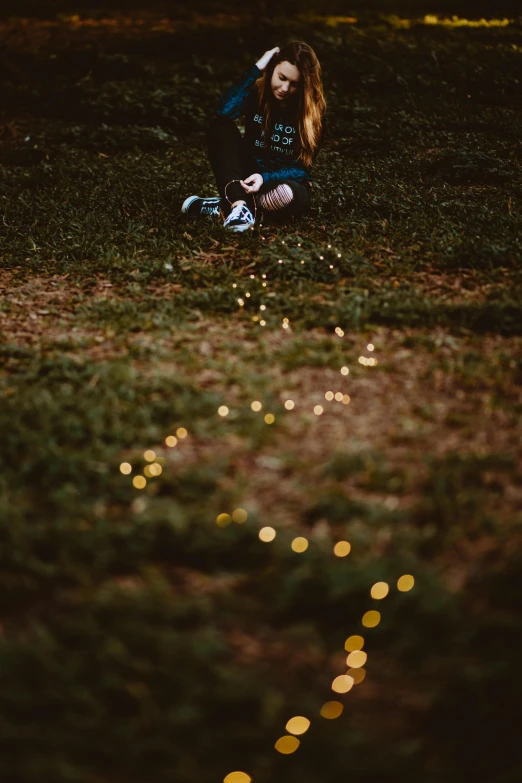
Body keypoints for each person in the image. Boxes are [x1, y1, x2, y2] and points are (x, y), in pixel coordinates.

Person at [181, 41, 327, 232]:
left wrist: (264, 178)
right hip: (246, 177)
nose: (284, 88)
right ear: (272, 69)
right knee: (220, 127)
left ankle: (228, 205)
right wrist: (257, 68)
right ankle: (239, 206)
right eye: (281, 77)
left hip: (280, 184)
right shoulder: (257, 93)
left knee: (287, 194)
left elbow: (302, 170)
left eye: (294, 84)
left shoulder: (313, 114)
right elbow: (223, 112)